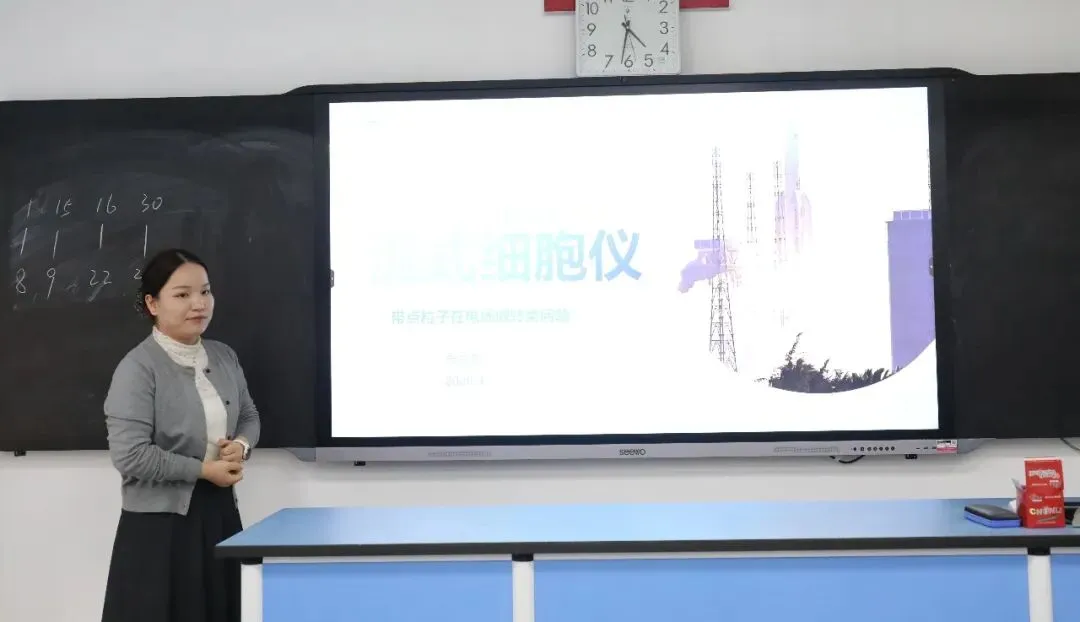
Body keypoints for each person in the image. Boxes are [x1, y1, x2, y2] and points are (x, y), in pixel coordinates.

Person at [101, 248, 260, 622]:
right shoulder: (137, 369)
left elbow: (249, 415)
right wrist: (204, 470)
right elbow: (130, 455)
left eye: (205, 291)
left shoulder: (224, 356)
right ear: (152, 303)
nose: (199, 304)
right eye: (183, 294)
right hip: (160, 528)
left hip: (220, 515)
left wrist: (241, 445)